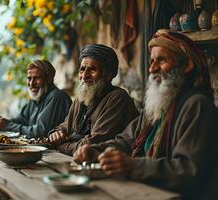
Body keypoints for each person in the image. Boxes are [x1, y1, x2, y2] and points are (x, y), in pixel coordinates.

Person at [73, 30, 218, 199]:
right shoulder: (157, 106)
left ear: (186, 66)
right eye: (151, 61)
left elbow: (187, 171)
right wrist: (94, 151)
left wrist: (132, 166)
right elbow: (125, 141)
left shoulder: (197, 106)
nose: (152, 68)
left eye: (161, 60)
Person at [48, 44, 139, 156]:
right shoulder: (82, 96)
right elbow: (67, 125)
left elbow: (91, 145)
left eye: (92, 70)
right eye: (82, 69)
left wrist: (60, 145)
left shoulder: (118, 98)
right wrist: (57, 133)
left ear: (109, 75)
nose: (85, 75)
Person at [0, 60, 72, 139]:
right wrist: (1, 121)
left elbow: (39, 132)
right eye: (29, 78)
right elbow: (22, 120)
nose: (31, 84)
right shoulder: (36, 97)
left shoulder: (56, 97)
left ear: (49, 79)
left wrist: (7, 125)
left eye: (36, 78)